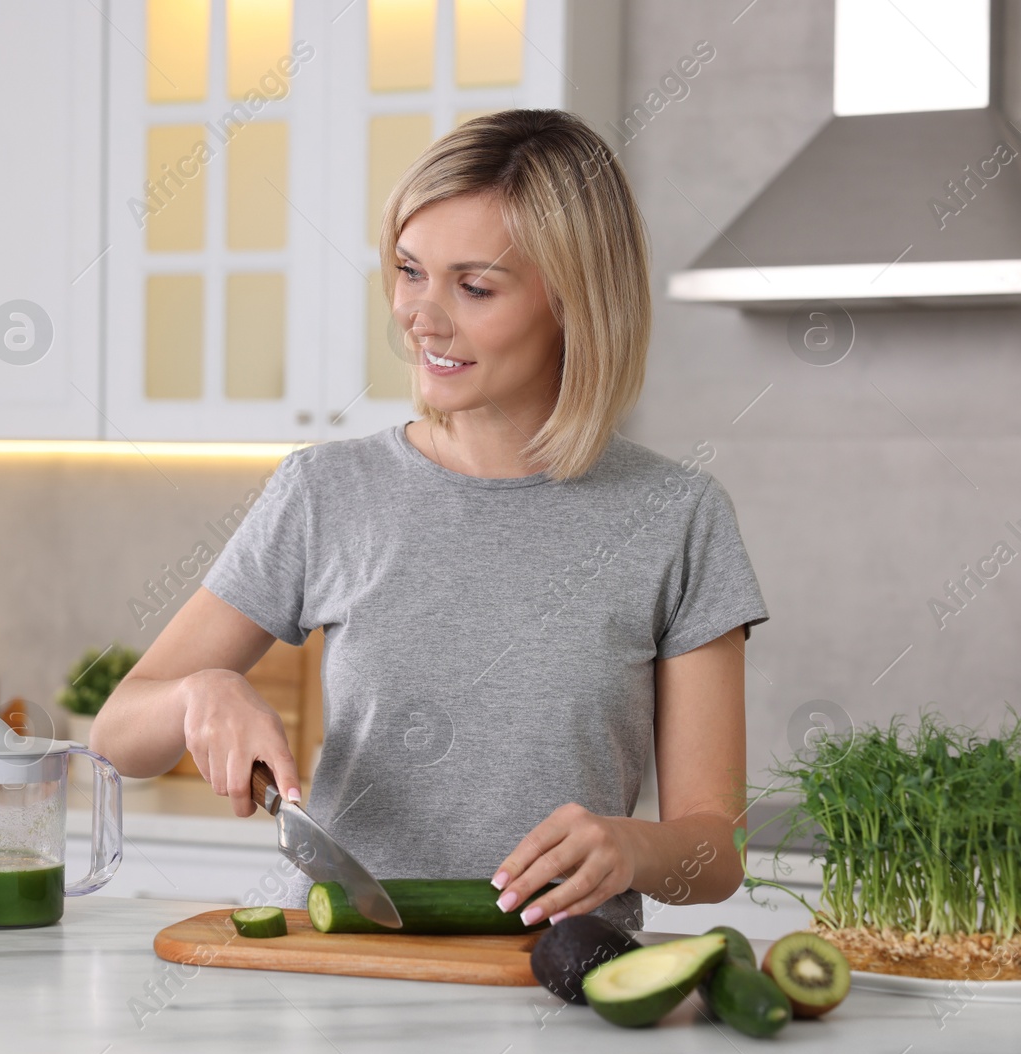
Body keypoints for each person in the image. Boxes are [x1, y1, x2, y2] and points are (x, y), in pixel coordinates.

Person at [91, 109, 767, 930]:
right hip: (339, 974)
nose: (421, 316)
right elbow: (119, 737)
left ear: (576, 302)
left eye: (474, 286)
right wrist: (203, 691)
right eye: (410, 271)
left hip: (559, 984)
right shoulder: (326, 491)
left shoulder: (676, 519)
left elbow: (715, 852)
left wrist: (629, 847)